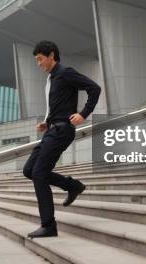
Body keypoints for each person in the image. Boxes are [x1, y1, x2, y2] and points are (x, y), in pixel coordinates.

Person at [23, 40, 101, 238]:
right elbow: (58, 104)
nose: (38, 64)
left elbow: (94, 88)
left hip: (62, 131)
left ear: (51, 55)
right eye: (36, 61)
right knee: (29, 170)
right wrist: (46, 122)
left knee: (39, 173)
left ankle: (48, 225)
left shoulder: (65, 72)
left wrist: (83, 114)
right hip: (52, 129)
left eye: (40, 59)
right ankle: (72, 186)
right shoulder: (51, 78)